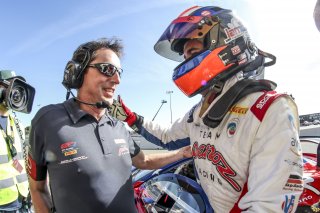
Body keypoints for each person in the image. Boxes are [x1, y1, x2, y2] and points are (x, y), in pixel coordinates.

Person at [110, 6, 303, 212]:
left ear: (226, 43)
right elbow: (167, 137)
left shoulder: (268, 109)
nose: (187, 62)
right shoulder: (200, 111)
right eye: (185, 57)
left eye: (192, 52)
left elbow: (269, 207)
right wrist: (130, 118)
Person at [27, 38, 192, 213]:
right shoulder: (47, 120)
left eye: (119, 72)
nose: (117, 80)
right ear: (78, 71)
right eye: (108, 69)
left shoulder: (118, 126)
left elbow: (144, 161)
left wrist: (182, 153)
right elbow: (37, 189)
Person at [0, 70, 34, 213]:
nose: (14, 92)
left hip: (22, 198)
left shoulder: (17, 124)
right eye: (10, 85)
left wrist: (30, 191)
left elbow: (24, 160)